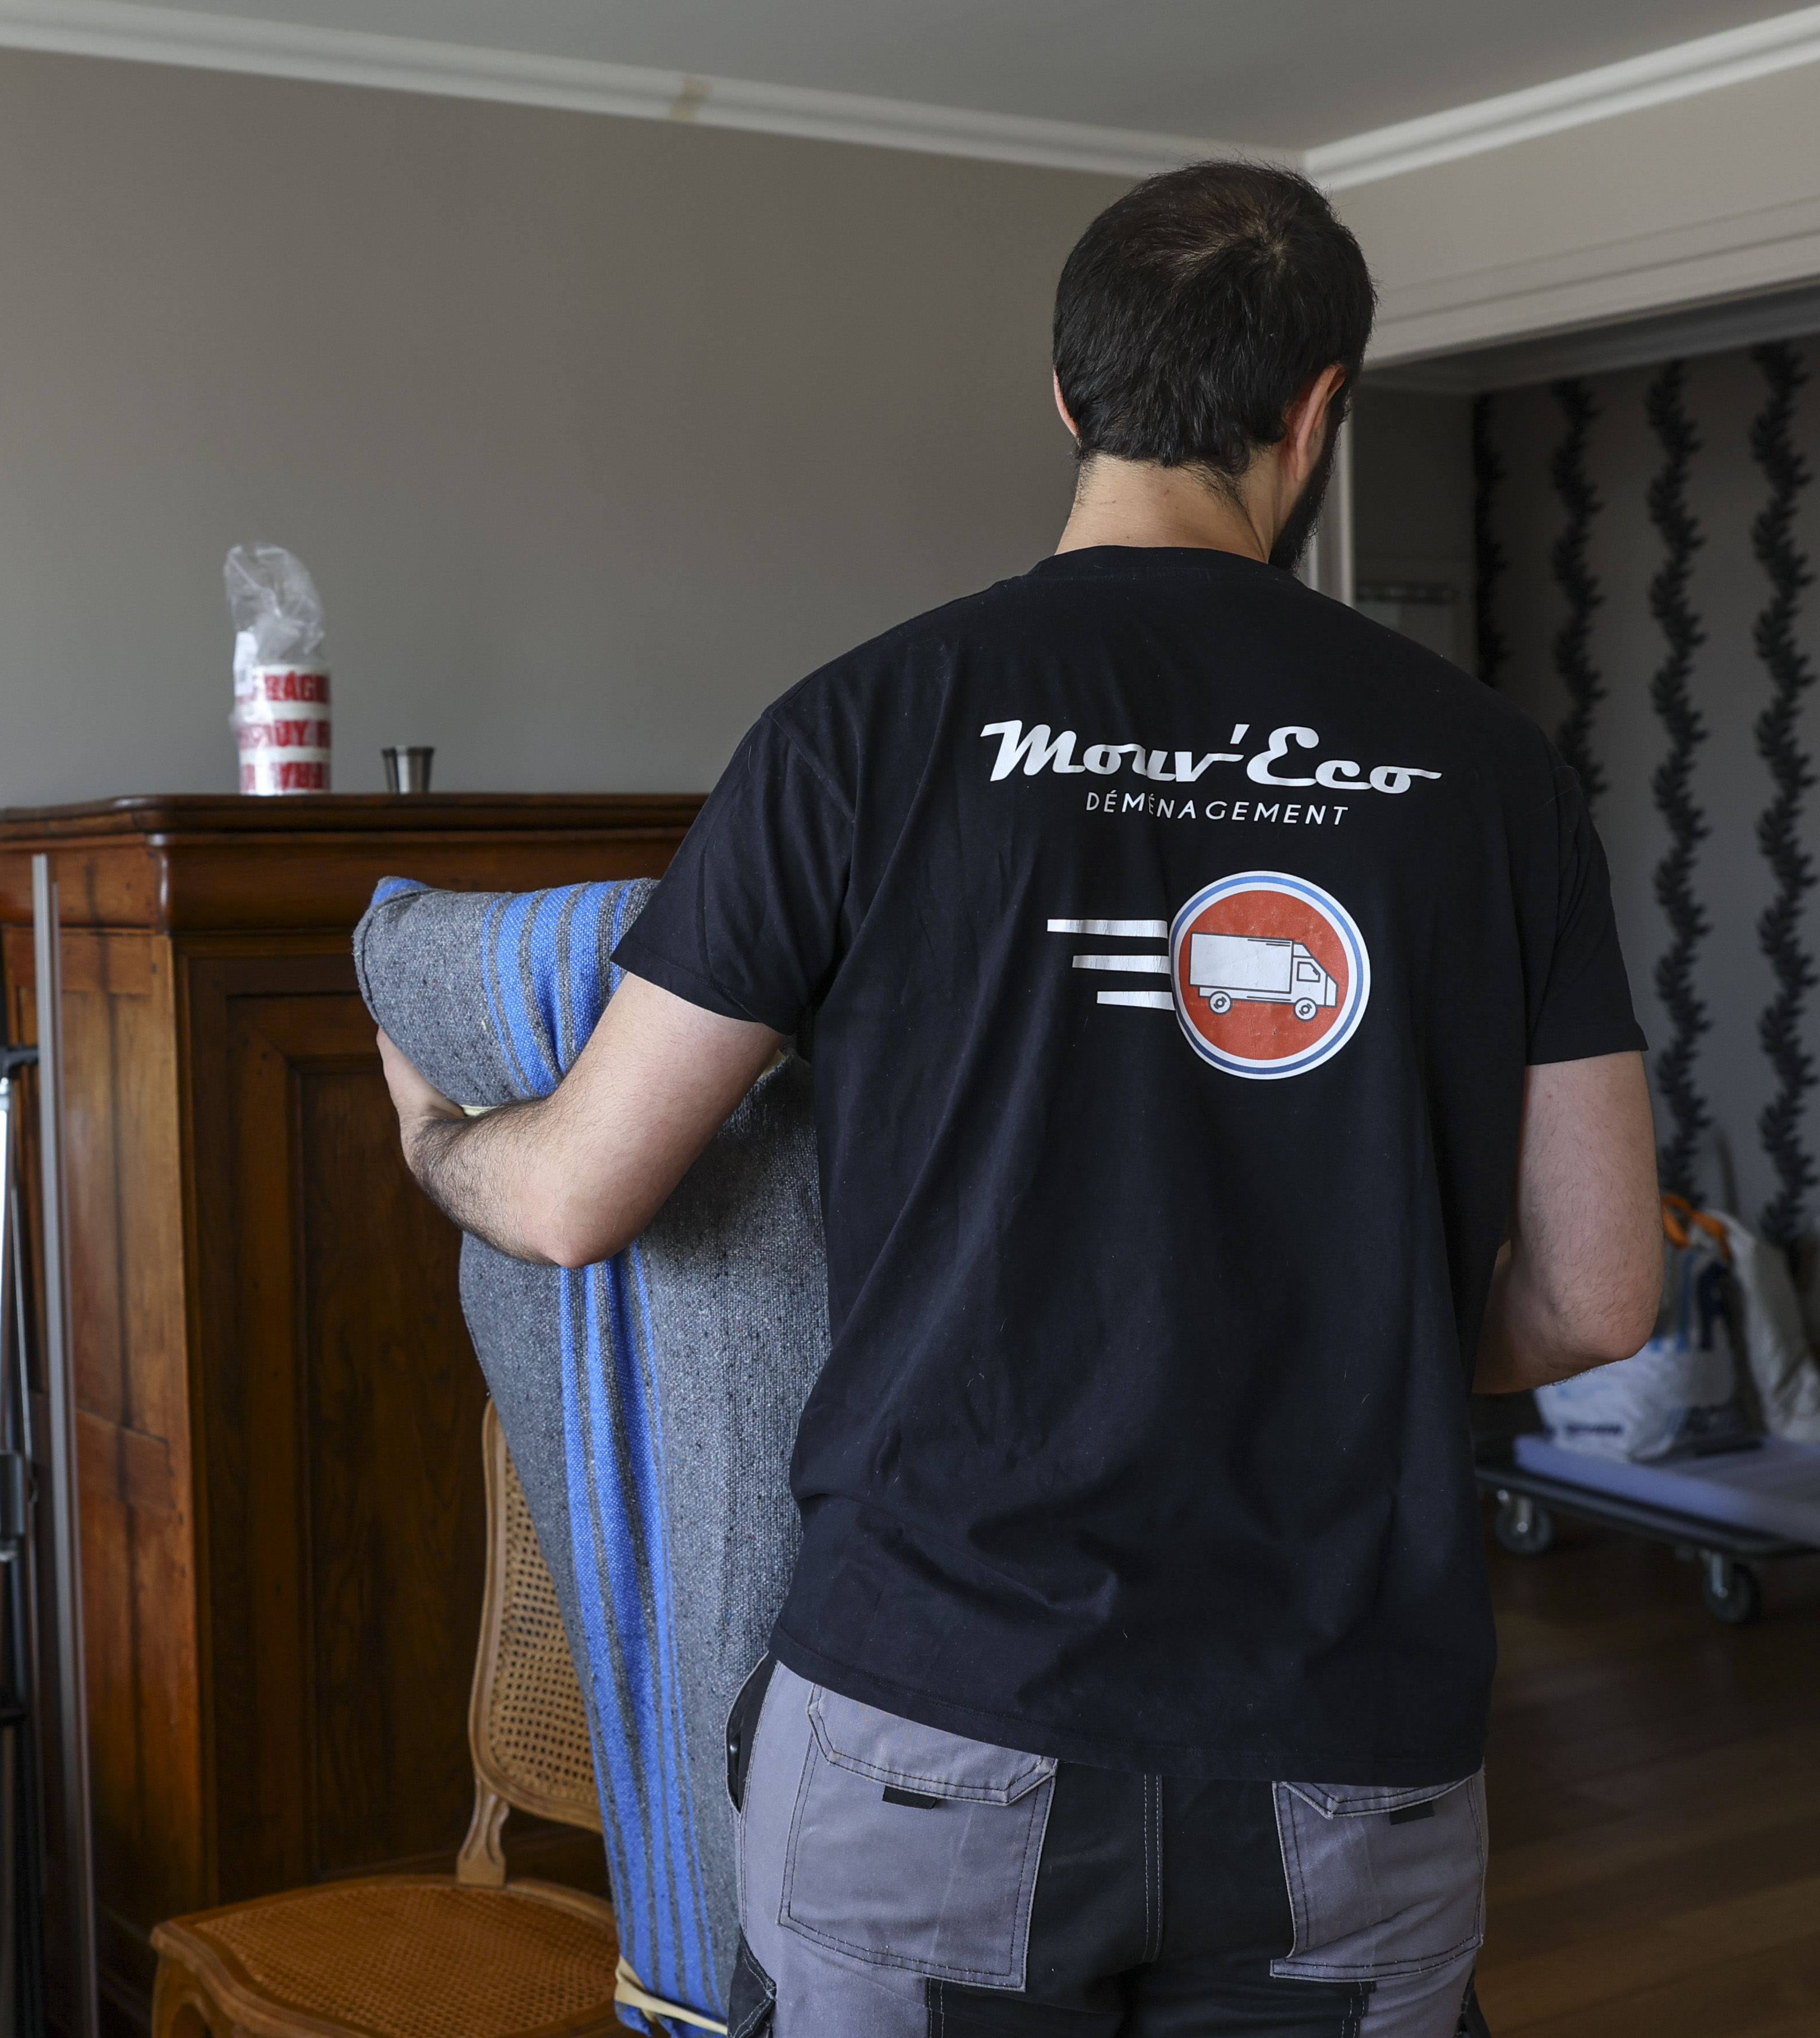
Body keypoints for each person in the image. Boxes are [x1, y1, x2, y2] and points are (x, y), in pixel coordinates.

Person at [378, 163, 1658, 2037]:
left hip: (934, 1723)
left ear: (1067, 398)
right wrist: (1325, 1335)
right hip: (1343, 1732)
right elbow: (1601, 1297)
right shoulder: (1497, 777)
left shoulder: (863, 727)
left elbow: (577, 1194)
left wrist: (434, 1130)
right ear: (1318, 411)